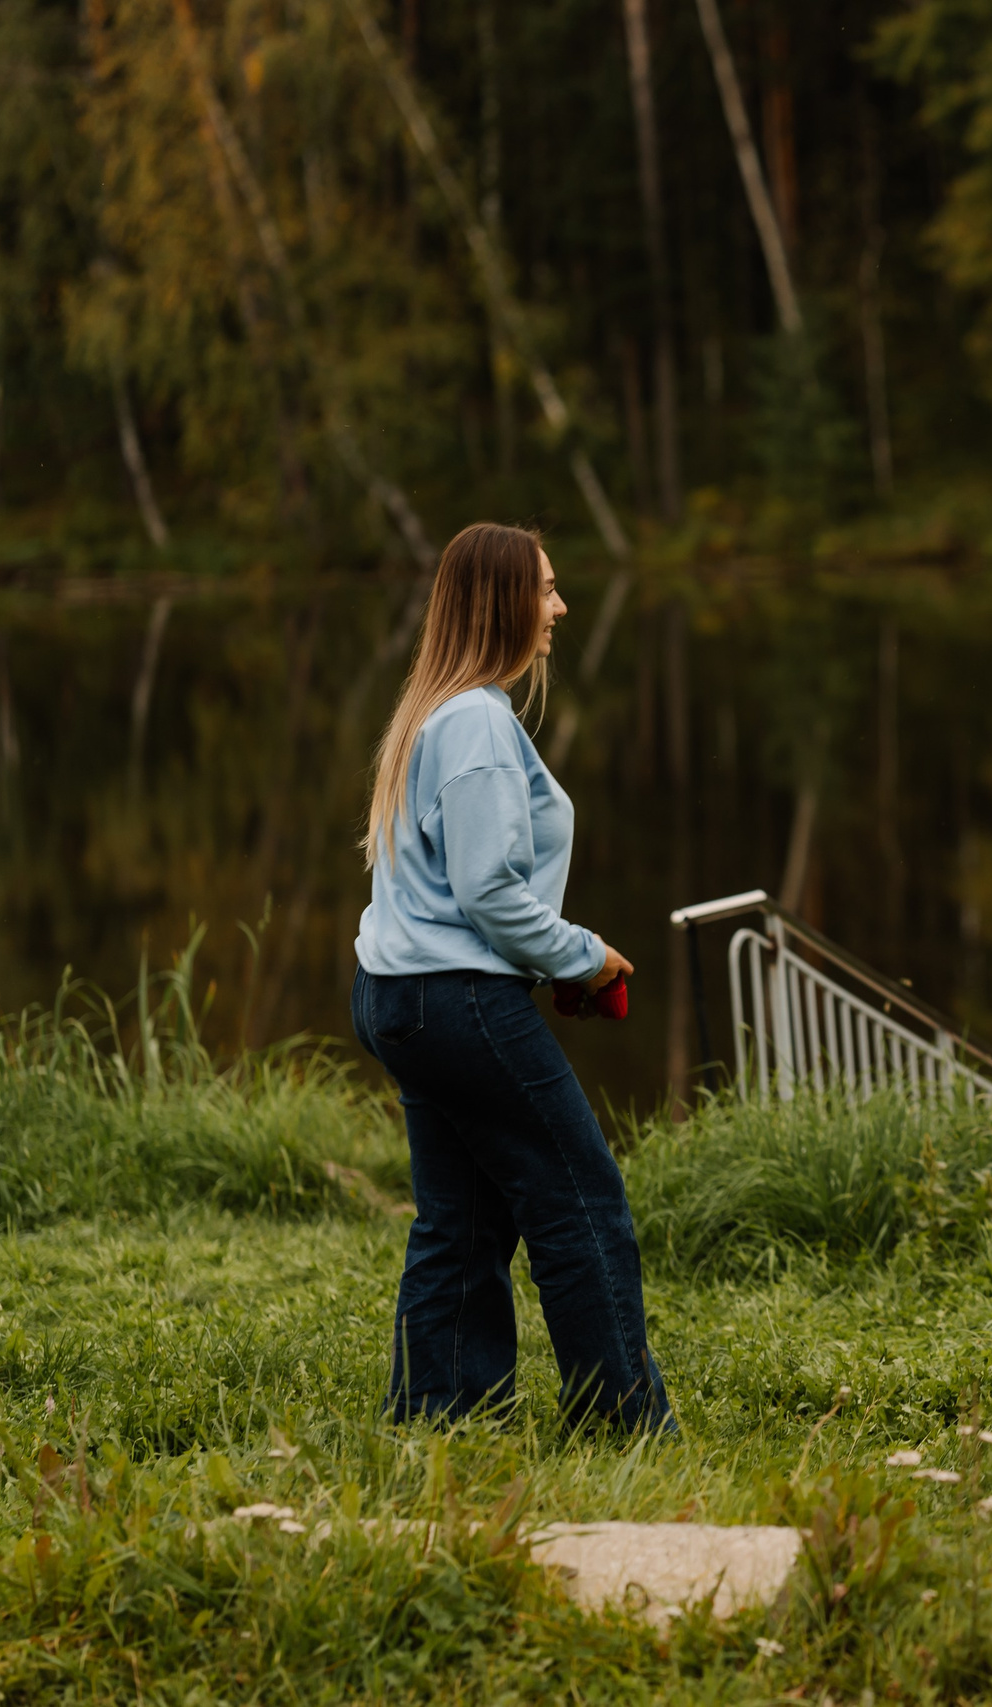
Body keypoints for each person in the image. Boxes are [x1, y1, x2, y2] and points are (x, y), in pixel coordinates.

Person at [350, 522, 672, 1432]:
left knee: (461, 1219)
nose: (559, 607)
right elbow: (488, 890)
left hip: (401, 996)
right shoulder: (480, 723)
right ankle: (622, 1422)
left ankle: (440, 1418)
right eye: (547, 589)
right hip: (455, 1001)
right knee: (583, 1199)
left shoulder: (435, 711)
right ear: (504, 603)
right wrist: (583, 956)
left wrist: (540, 960)